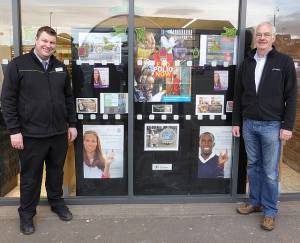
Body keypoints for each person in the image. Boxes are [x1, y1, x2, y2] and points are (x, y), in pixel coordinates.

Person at [0, 26, 77, 235]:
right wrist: (14, 131)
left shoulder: (60, 67)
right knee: (30, 177)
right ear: (36, 40)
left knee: (55, 172)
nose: (48, 45)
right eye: (44, 41)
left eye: (52, 42)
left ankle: (56, 202)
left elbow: (68, 99)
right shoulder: (19, 65)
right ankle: (26, 215)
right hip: (31, 135)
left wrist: (72, 124)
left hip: (58, 134)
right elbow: (7, 101)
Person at [232, 22, 297, 231]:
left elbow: (292, 97)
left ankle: (270, 211)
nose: (261, 38)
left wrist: (287, 126)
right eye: (259, 34)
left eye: (266, 35)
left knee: (270, 171)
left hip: (272, 125)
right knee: (253, 166)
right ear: (255, 38)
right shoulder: (247, 62)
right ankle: (255, 202)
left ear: (273, 38)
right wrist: (236, 122)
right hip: (249, 123)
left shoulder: (284, 62)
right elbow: (238, 95)